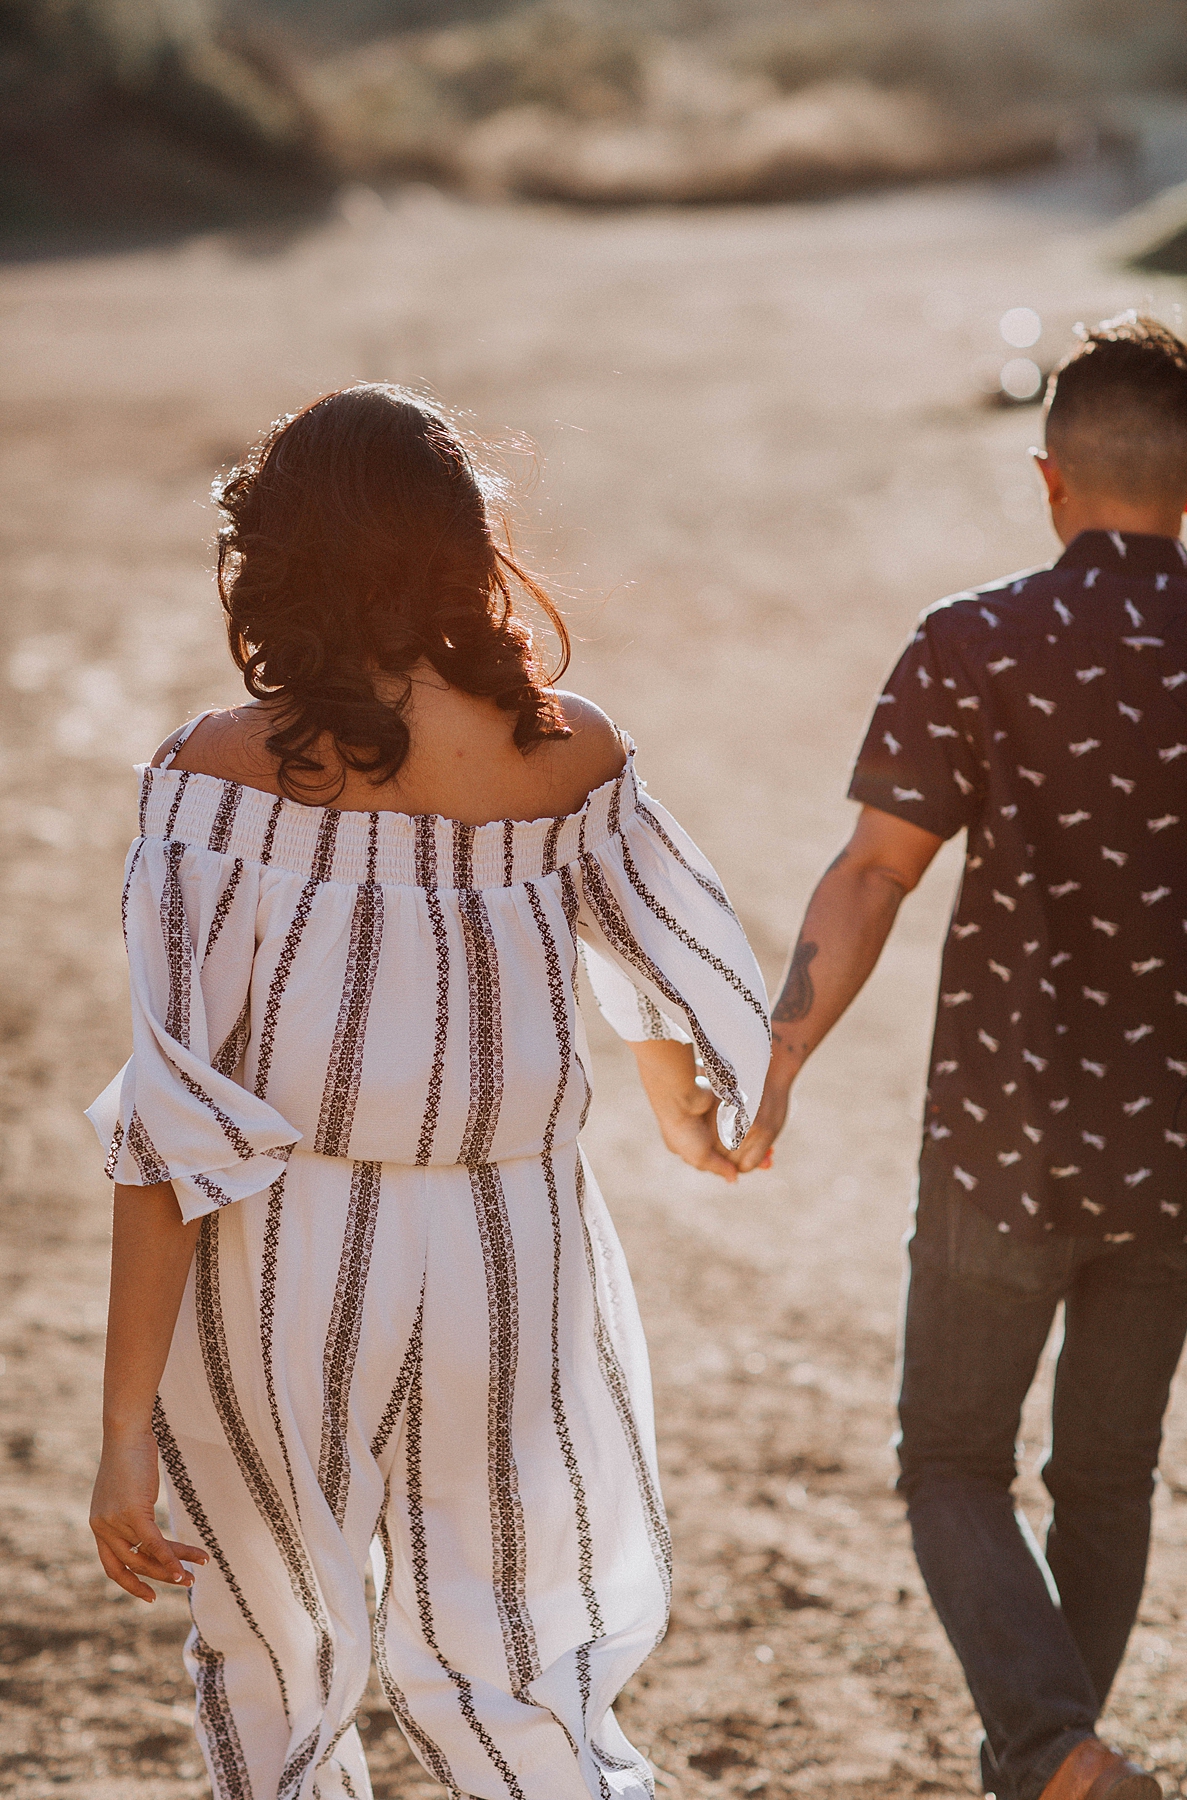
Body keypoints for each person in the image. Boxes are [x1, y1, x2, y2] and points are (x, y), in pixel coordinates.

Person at [86, 386, 771, 1800]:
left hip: (280, 1248)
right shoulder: (561, 752)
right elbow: (666, 953)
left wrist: (120, 1436)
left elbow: (170, 1127)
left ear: (278, 560)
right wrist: (683, 1103)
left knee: (277, 1647)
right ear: (465, 547)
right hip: (510, 1243)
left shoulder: (209, 780)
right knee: (518, 1636)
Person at [737, 314, 1187, 1800]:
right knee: (1107, 1478)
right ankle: (1052, 1765)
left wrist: (782, 1054)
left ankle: (1055, 1756)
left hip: (1006, 1140)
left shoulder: (974, 641)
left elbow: (874, 874)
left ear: (1048, 480)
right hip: (1180, 1159)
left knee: (949, 1458)